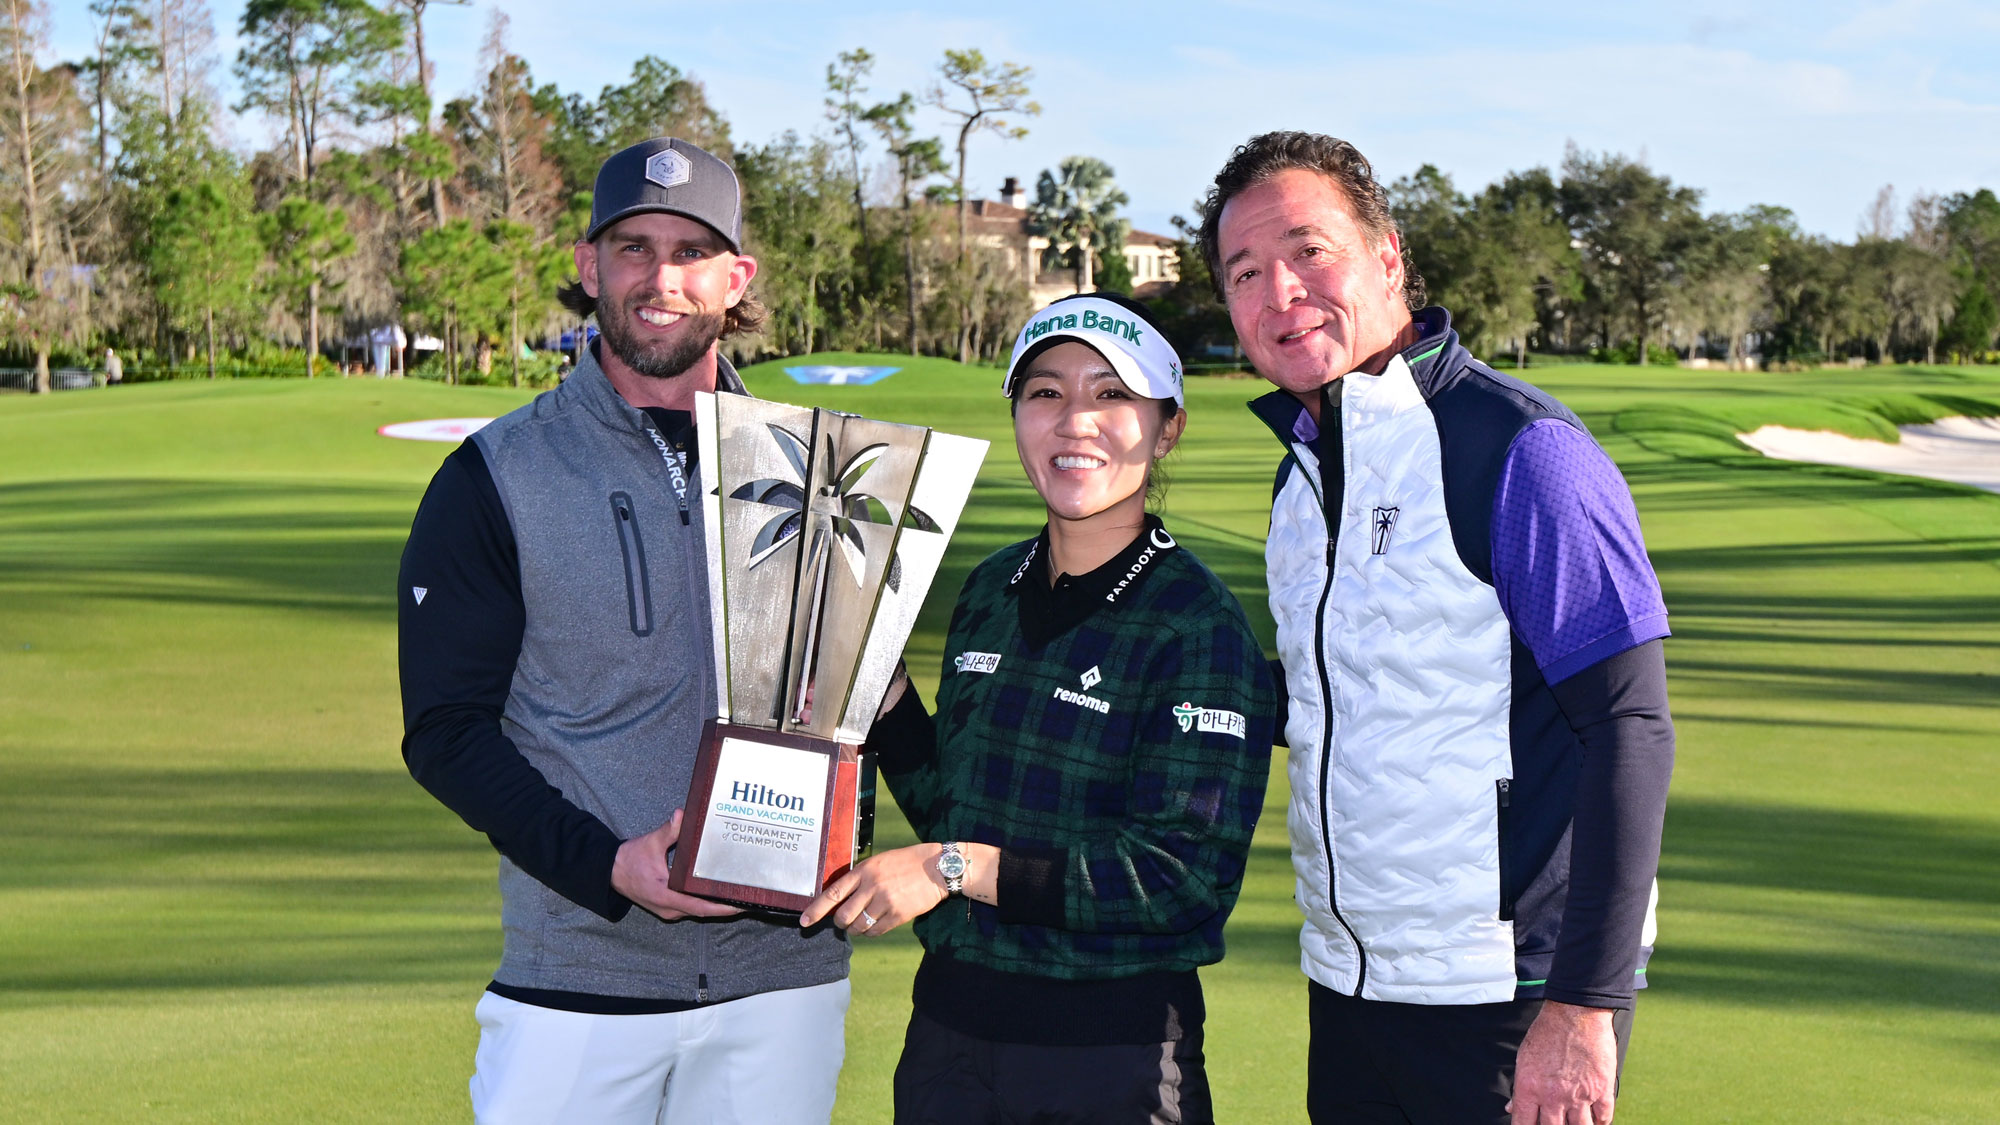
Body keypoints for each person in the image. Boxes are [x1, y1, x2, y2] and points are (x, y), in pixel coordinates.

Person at [1197, 131, 1675, 1124]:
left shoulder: (1517, 449)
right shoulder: (1302, 478)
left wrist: (1585, 1005)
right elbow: (1338, 699)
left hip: (1507, 1002)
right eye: (1244, 271)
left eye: (1306, 251)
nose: (1278, 292)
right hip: (1353, 989)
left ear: (1385, 255)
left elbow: (1627, 728)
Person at [397, 138, 849, 1125]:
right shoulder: (495, 474)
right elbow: (446, 731)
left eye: (691, 253)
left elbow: (874, 693)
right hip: (577, 980)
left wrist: (957, 862)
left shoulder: (821, 469)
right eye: (634, 248)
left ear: (736, 279)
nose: (661, 279)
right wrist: (605, 865)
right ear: (587, 264)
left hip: (783, 983)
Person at [801, 293, 1276, 1125]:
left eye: (1112, 394)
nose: (1074, 422)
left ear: (1167, 428)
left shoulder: (1198, 624)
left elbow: (1181, 879)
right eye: (1046, 393)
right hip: (949, 1038)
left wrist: (950, 867)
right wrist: (888, 701)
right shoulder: (990, 589)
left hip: (1110, 1055)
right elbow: (958, 802)